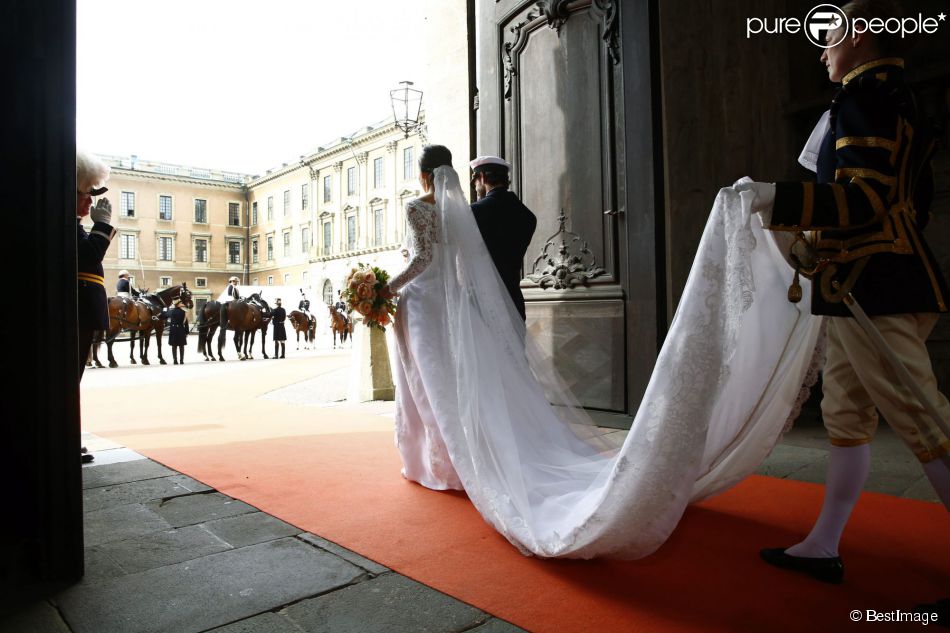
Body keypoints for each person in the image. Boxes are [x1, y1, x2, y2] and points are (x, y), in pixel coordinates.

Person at [744, 0, 950, 584]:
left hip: (874, 286)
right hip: (864, 281)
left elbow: (867, 200)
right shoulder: (893, 96)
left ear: (861, 35)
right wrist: (812, 239)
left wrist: (776, 199)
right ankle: (823, 544)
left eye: (831, 35)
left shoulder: (867, 98)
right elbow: (915, 205)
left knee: (923, 418)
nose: (823, 48)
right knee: (847, 416)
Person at [77, 150, 116, 464]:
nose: (90, 202)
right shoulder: (70, 225)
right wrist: (101, 227)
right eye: (84, 194)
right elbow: (89, 258)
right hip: (77, 305)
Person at [469, 156, 537, 321]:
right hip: (513, 300)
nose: (475, 187)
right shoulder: (528, 215)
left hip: (482, 302)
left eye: (475, 181)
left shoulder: (474, 211)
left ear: (483, 177)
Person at [165, 298, 189, 365]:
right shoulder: (184, 312)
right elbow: (186, 323)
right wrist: (187, 332)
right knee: (181, 346)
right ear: (178, 304)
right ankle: (181, 361)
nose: (182, 304)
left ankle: (175, 360)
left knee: (174, 346)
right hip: (181, 329)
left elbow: (165, 318)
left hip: (173, 330)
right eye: (181, 303)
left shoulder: (171, 311)